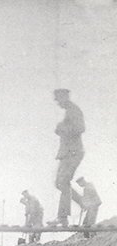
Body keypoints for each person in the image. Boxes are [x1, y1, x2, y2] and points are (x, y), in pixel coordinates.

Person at [48, 89, 85, 228]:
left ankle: (63, 217)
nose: (58, 103)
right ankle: (83, 202)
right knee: (59, 182)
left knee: (63, 181)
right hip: (66, 153)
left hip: (73, 152)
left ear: (64, 97)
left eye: (58, 100)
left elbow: (80, 128)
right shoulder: (69, 112)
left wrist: (62, 128)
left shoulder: (74, 110)